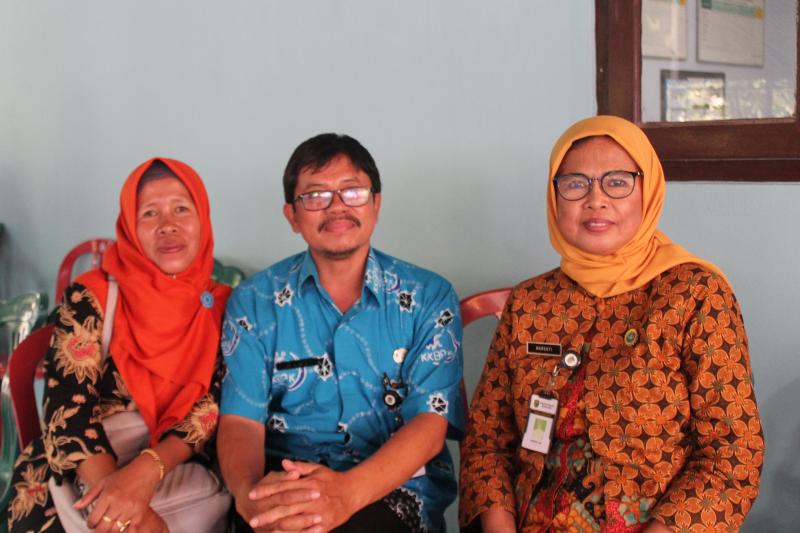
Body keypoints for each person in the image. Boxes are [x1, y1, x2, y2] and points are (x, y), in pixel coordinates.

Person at [459, 116, 764, 532]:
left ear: (648, 191)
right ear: (554, 197)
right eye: (575, 184)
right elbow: (487, 444)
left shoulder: (695, 294)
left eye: (617, 182)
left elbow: (733, 454)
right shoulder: (530, 302)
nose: (595, 200)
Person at [217, 133, 464, 533]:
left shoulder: (428, 297)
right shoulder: (254, 301)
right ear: (292, 216)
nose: (336, 207)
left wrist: (345, 495)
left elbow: (429, 425)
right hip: (286, 482)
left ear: (376, 204)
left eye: (352, 191)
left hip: (394, 489)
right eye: (315, 196)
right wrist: (250, 498)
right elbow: (240, 421)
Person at [8, 158, 232, 533]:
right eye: (149, 213)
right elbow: (68, 412)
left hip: (175, 464)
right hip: (85, 466)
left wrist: (146, 472)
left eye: (181, 208)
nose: (167, 225)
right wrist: (122, 507)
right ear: (129, 225)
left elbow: (211, 408)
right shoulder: (91, 297)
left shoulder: (224, 306)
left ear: (203, 218)